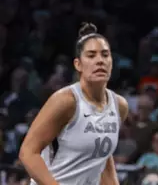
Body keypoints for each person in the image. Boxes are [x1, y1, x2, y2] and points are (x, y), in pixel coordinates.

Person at [19, 23, 128, 185]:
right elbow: (28, 152)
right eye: (91, 56)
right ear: (78, 64)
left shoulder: (120, 106)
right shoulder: (66, 101)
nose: (100, 61)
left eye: (105, 55)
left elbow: (102, 160)